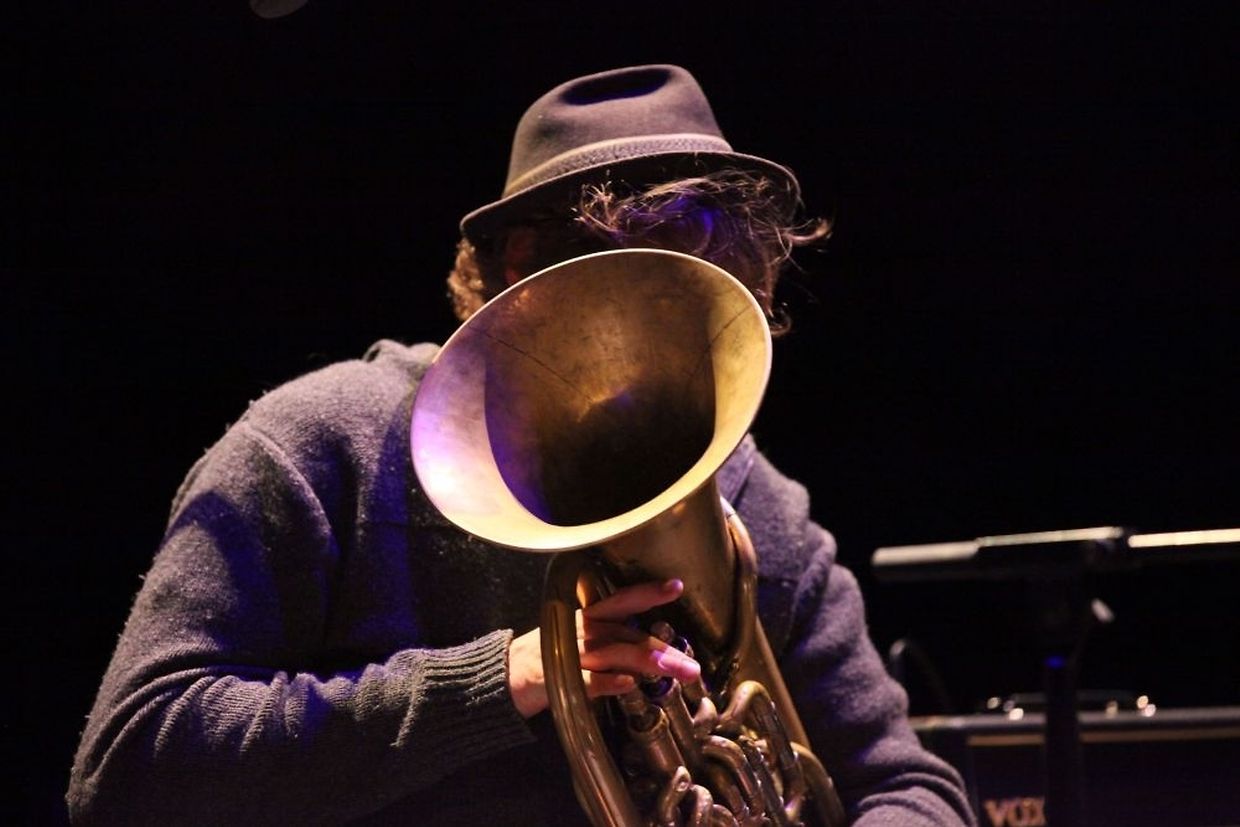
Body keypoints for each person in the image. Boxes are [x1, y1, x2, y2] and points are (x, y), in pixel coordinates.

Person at [67, 64, 975, 825]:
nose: (672, 305)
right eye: (640, 264)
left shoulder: (754, 503)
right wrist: (503, 678)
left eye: (707, 272)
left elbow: (911, 786)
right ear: (521, 264)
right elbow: (130, 765)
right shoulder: (321, 447)